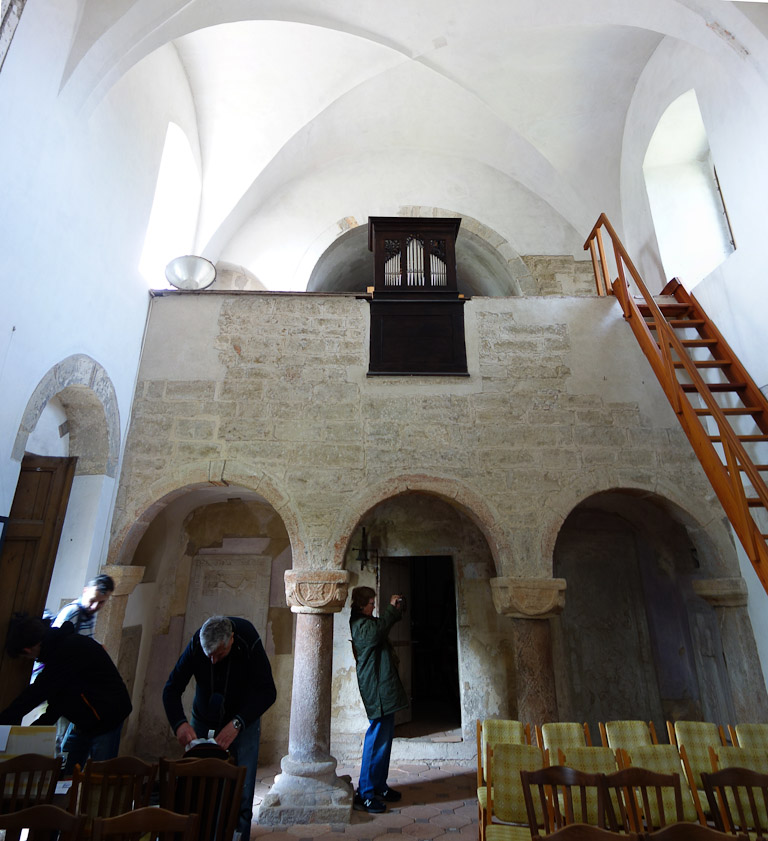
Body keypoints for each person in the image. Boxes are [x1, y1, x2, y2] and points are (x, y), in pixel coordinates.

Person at [163, 615, 276, 837]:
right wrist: (179, 724)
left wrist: (237, 723)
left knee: (242, 785)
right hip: (204, 717)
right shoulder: (198, 643)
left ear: (231, 639)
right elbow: (171, 689)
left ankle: (239, 834)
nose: (213, 661)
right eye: (209, 656)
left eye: (219, 654)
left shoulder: (247, 638)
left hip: (242, 719)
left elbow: (268, 692)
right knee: (199, 781)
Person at [0, 614, 132, 765]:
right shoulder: (58, 647)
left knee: (99, 772)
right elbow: (58, 699)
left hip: (107, 717)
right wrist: (29, 734)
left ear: (28, 650)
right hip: (86, 719)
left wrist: (5, 724)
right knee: (68, 770)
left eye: (25, 657)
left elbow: (37, 693)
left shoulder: (64, 651)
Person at [349, 586, 408, 813]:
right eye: (371, 604)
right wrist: (391, 610)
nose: (374, 607)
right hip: (375, 688)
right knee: (375, 739)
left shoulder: (368, 622)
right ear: (361, 605)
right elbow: (379, 629)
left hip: (382, 687)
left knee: (384, 739)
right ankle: (364, 793)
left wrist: (395, 609)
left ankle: (379, 786)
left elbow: (382, 625)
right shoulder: (360, 625)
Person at [52, 573, 115, 638]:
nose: (94, 607)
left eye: (101, 602)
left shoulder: (87, 614)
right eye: (92, 600)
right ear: (85, 591)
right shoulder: (72, 611)